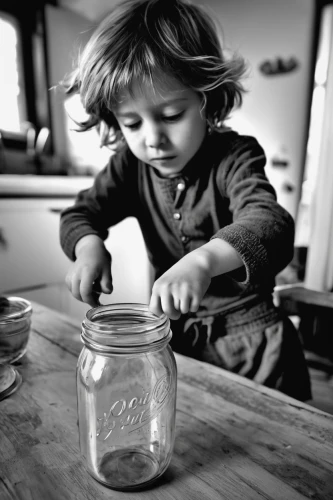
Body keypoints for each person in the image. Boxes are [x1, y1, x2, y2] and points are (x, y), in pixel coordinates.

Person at [59, 0, 311, 401]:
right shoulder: (129, 166)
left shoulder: (236, 156)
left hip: (256, 348)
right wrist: (88, 247)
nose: (152, 138)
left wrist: (205, 261)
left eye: (172, 115)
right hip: (180, 344)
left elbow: (271, 223)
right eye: (132, 123)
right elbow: (80, 213)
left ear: (206, 100)